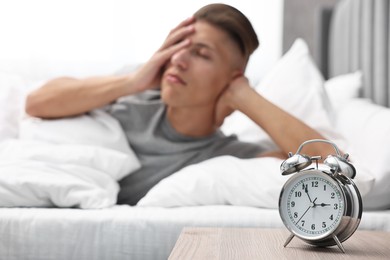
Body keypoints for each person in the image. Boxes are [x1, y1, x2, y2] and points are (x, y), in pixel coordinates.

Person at [25, 4, 334, 205]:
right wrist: (132, 81)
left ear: (233, 78)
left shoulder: (227, 156)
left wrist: (245, 97)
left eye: (201, 53)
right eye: (177, 46)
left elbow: (330, 166)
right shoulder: (134, 90)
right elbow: (36, 103)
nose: (178, 59)